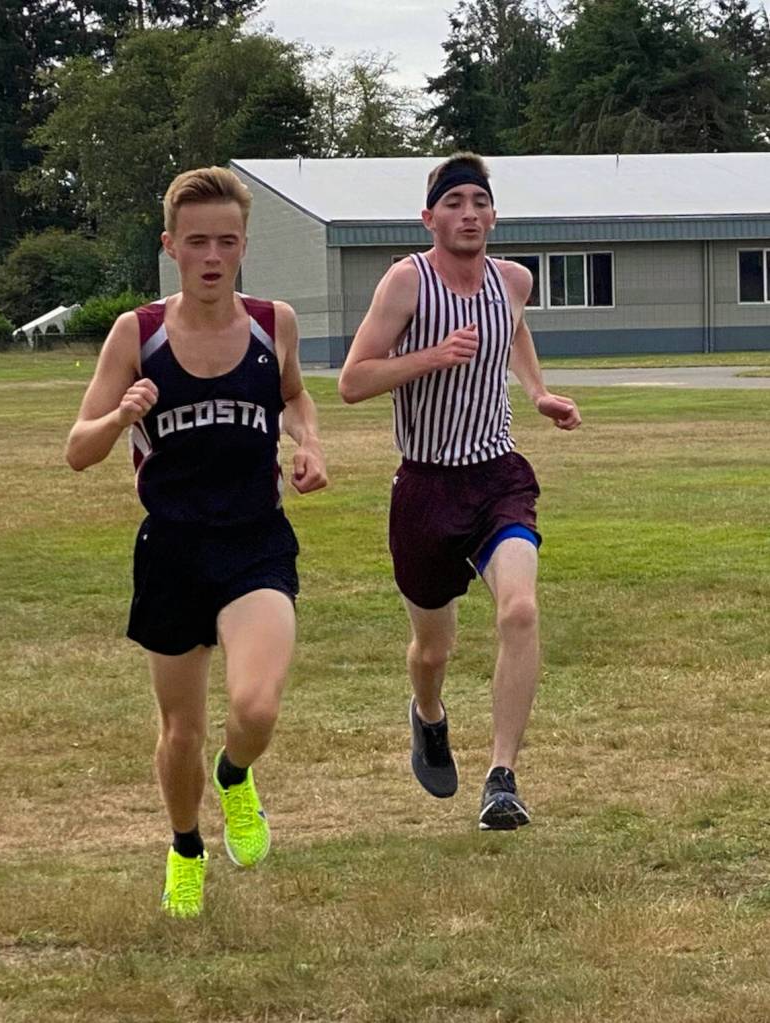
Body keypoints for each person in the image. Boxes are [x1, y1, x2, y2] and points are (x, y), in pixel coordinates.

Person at [66, 166, 327, 918]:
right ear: (170, 247)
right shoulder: (137, 335)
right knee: (178, 726)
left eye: (227, 241)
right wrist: (121, 416)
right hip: (172, 550)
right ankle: (185, 846)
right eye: (197, 242)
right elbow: (77, 449)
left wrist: (309, 442)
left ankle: (236, 776)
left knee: (257, 705)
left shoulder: (272, 322)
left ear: (245, 246)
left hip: (255, 542)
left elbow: (295, 394)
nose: (213, 255)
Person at [338, 152, 580, 831]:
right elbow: (353, 381)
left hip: (497, 475)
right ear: (429, 217)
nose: (468, 212)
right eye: (453, 202)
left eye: (479, 201)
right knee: (433, 649)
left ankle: (502, 777)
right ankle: (428, 714)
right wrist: (431, 357)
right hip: (425, 486)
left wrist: (537, 391)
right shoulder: (405, 284)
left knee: (521, 610)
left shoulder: (513, 280)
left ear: (494, 214)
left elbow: (514, 326)